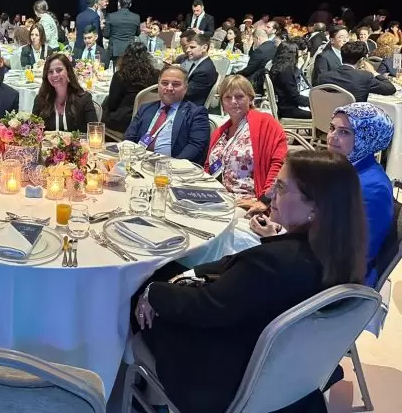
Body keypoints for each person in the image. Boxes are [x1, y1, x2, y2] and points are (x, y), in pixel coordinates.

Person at [134, 150, 367, 413]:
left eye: (281, 187)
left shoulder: (274, 263)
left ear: (315, 206)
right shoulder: (340, 256)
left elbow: (207, 307)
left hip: (222, 376)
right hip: (286, 374)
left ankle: (134, 394)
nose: (270, 193)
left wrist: (152, 292)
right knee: (173, 274)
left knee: (137, 289)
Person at [326, 103, 394, 285]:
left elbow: (355, 255)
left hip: (340, 280)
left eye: (344, 132)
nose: (332, 137)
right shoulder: (341, 167)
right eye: (332, 128)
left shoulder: (373, 188)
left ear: (367, 138)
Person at [205, 75, 287, 213]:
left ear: (250, 98)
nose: (233, 102)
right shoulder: (221, 131)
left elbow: (279, 163)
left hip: (249, 201)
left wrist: (265, 199)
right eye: (227, 98)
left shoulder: (266, 123)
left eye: (239, 97)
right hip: (219, 198)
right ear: (222, 103)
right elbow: (209, 166)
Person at [125, 66, 210, 164]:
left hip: (172, 167)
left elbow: (196, 146)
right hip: (138, 162)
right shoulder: (146, 108)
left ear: (185, 88)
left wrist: (172, 165)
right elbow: (130, 136)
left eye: (176, 84)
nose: (169, 88)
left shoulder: (196, 113)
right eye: (164, 83)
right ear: (158, 85)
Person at [32, 52, 97, 132]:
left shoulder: (84, 99)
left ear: (68, 72)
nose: (55, 75)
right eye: (50, 72)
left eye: (59, 70)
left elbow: (94, 131)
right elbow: (33, 131)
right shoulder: (40, 99)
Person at [103, 42, 159, 132]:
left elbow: (113, 104)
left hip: (126, 121)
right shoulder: (156, 74)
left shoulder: (120, 76)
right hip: (149, 118)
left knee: (102, 109)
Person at [316, 41, 396, 103]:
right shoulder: (364, 77)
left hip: (328, 115)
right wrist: (374, 72)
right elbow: (390, 89)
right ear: (361, 60)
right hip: (355, 117)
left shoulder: (324, 77)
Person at [269, 41, 312, 119]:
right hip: (289, 109)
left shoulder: (276, 67)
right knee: (323, 114)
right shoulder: (285, 71)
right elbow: (295, 97)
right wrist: (313, 101)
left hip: (283, 106)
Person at [104, 0, 140, 67]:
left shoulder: (111, 16)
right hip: (130, 50)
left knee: (114, 71)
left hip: (114, 51)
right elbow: (138, 33)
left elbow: (106, 35)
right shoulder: (136, 17)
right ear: (130, 4)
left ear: (118, 3)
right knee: (128, 72)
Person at [236, 27, 276, 93]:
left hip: (257, 81)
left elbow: (248, 70)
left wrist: (236, 74)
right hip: (269, 79)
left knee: (233, 79)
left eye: (253, 40)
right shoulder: (274, 46)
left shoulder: (259, 50)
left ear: (258, 39)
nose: (253, 43)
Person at [183, 32, 218, 106]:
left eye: (192, 47)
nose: (187, 50)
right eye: (187, 47)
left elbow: (186, 92)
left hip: (190, 107)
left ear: (204, 48)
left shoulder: (204, 70)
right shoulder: (200, 63)